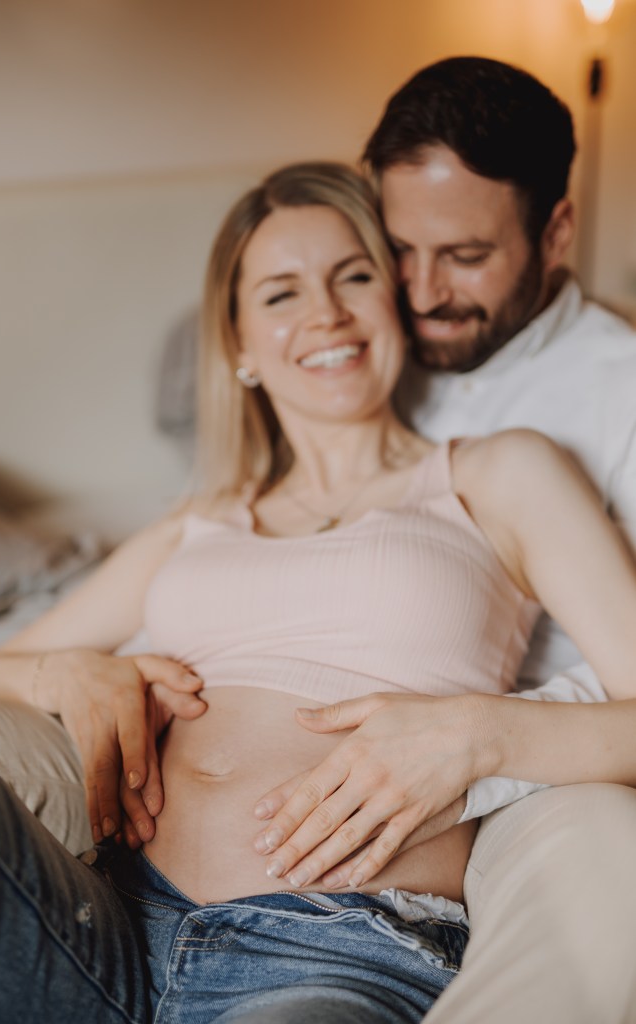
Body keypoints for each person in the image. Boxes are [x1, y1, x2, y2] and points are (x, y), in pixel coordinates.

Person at [0, 159, 636, 1024]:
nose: (325, 313)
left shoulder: (498, 473)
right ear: (238, 342)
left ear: (392, 299)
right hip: (104, 931)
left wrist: (484, 734)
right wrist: (64, 673)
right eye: (280, 294)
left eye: (353, 276)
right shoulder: (192, 524)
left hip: (330, 951)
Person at [248, 58, 636, 1023]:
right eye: (397, 250)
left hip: (550, 775)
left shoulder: (622, 394)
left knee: (608, 882)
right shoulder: (365, 345)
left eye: (463, 255)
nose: (418, 293)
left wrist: (474, 735)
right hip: (296, 797)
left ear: (554, 231)